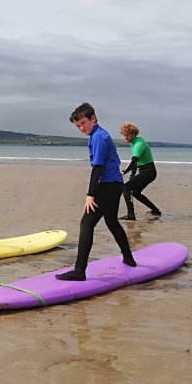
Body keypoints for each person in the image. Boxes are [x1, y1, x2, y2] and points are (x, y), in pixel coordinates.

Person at [57, 102, 136, 281]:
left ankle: (79, 271)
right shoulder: (97, 135)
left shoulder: (99, 137)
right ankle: (129, 258)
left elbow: (97, 167)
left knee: (86, 224)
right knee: (111, 221)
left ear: (93, 118)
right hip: (115, 184)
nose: (81, 128)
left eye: (83, 123)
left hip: (108, 185)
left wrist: (90, 194)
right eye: (78, 126)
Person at [119, 122, 162, 220]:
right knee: (135, 192)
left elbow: (134, 160)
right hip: (145, 171)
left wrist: (123, 172)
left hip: (149, 172)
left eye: (127, 135)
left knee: (125, 188)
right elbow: (136, 162)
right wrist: (132, 175)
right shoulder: (134, 142)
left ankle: (131, 215)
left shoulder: (139, 144)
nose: (125, 137)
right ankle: (155, 210)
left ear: (133, 134)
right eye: (124, 135)